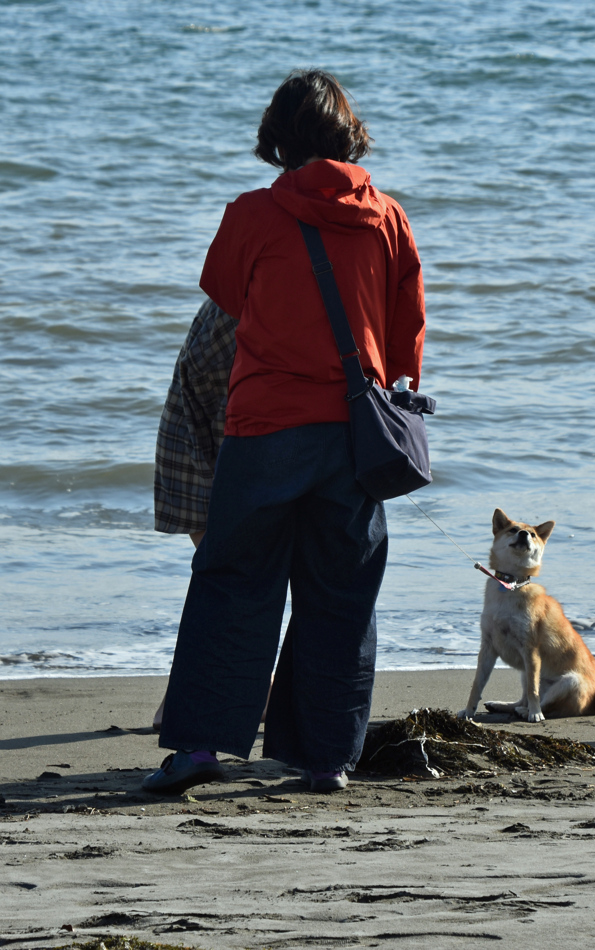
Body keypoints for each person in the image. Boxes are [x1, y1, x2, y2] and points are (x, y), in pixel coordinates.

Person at [143, 69, 426, 794]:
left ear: (278, 138)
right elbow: (405, 340)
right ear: (348, 135)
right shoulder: (389, 217)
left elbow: (230, 299)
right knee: (342, 593)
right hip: (352, 437)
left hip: (263, 429)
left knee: (233, 585)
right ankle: (326, 758)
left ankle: (202, 747)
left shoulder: (250, 214)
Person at [152, 296, 236, 730]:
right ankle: (179, 704)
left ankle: (185, 702)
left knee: (228, 579)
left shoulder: (235, 301)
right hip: (200, 445)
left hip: (206, 438)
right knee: (225, 577)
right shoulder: (237, 311)